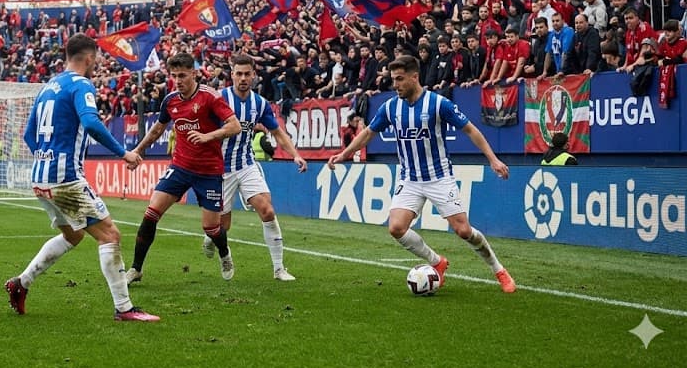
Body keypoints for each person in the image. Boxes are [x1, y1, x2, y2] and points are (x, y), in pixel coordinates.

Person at [327, 55, 516, 293]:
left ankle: (499, 270)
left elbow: (471, 130)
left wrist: (493, 159)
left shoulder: (438, 104)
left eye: (399, 79)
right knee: (396, 228)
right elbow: (368, 133)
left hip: (439, 177)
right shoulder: (390, 107)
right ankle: (437, 262)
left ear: (414, 77)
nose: (395, 85)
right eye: (392, 79)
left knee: (464, 231)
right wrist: (345, 153)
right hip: (409, 179)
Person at [4, 33, 159, 322]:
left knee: (72, 235)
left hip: (40, 177)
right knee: (110, 235)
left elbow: (28, 134)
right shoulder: (81, 84)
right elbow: (90, 122)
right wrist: (123, 153)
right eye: (96, 59)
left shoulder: (48, 87)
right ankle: (124, 308)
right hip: (64, 178)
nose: (96, 64)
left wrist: (45, 158)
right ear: (88, 58)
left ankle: (20, 284)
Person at [126, 52, 242, 284]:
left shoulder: (210, 97)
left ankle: (224, 253)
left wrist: (208, 136)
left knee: (211, 227)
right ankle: (136, 269)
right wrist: (137, 150)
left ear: (194, 73)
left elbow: (235, 126)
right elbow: (157, 130)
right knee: (151, 213)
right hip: (180, 167)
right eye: (174, 76)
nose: (178, 81)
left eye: (182, 75)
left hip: (209, 170)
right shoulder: (170, 100)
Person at [200, 55, 307, 281]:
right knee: (222, 225)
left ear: (254, 75)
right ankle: (212, 237)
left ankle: (279, 269)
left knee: (267, 209)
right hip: (221, 170)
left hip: (247, 165)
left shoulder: (259, 104)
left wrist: (295, 155)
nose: (243, 78)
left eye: (247, 74)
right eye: (239, 74)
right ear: (232, 75)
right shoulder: (220, 99)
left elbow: (278, 132)